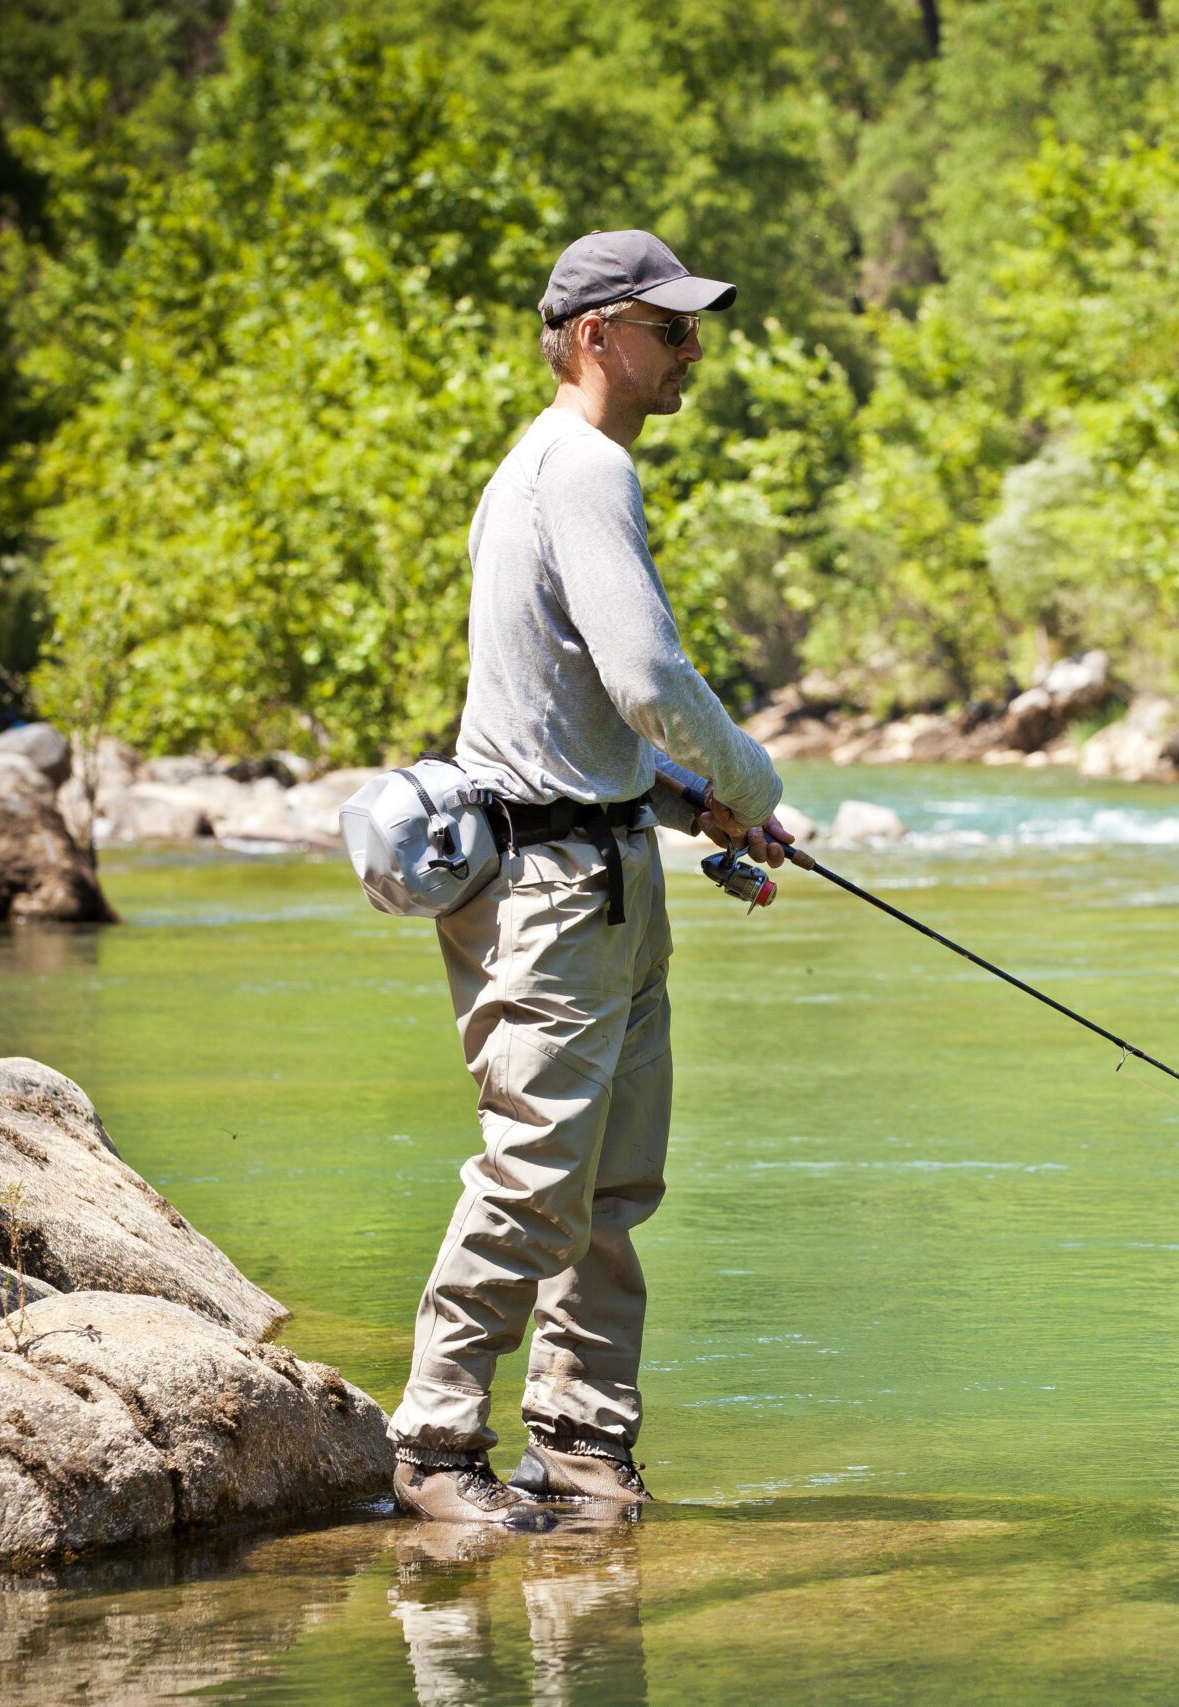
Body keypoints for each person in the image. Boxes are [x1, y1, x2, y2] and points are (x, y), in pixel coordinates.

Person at [388, 230, 793, 1527]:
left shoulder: (550, 470)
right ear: (597, 335)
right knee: (537, 1178)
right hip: (554, 894)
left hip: (602, 867)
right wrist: (756, 778)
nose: (694, 352)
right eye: (673, 330)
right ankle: (435, 1445)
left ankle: (579, 1443)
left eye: (694, 330)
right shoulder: (579, 469)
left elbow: (575, 719)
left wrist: (697, 805)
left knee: (609, 1188)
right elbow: (648, 680)